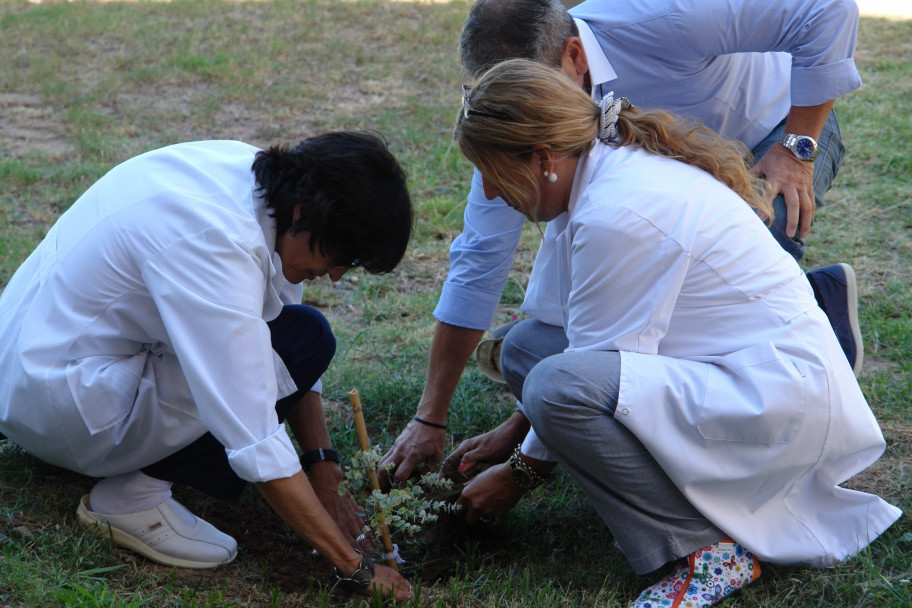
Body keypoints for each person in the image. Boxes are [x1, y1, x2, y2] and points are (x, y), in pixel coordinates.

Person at [444, 58, 900, 608]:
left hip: (778, 403)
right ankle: (678, 506)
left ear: (542, 159)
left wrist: (517, 474)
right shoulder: (595, 175)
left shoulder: (617, 210)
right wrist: (514, 433)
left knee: (554, 385)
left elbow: (583, 370)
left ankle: (707, 551)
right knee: (526, 348)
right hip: (734, 373)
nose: (491, 194)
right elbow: (571, 341)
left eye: (493, 174)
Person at [380, 0, 865, 483]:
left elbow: (827, 10)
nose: (518, 107)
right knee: (545, 346)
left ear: (575, 56)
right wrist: (431, 416)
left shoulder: (663, 17)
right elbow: (479, 260)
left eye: (531, 91)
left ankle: (790, 373)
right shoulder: (518, 130)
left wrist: (798, 148)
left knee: (750, 239)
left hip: (774, 132)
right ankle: (804, 315)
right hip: (676, 183)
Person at [0, 133, 413, 600]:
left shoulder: (250, 177)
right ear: (304, 214)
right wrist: (355, 566)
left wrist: (323, 467)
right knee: (300, 341)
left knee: (301, 334)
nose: (337, 275)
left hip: (27, 361)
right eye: (341, 258)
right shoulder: (216, 242)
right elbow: (251, 428)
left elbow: (279, 329)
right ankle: (131, 500)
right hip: (66, 406)